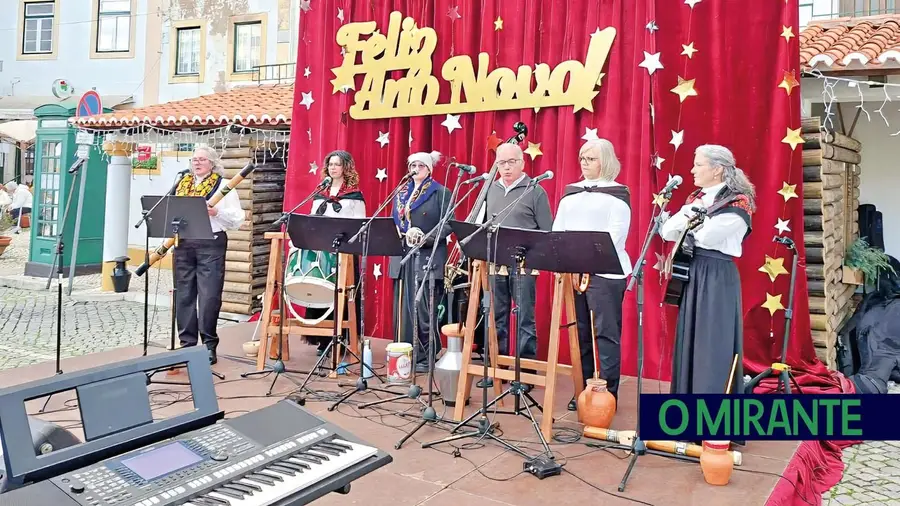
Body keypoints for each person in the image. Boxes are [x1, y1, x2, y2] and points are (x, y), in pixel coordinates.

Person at [660, 144, 754, 395]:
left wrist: (689, 221)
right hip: (692, 271)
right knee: (689, 339)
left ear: (717, 169)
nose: (692, 170)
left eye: (698, 164)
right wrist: (694, 216)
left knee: (712, 343)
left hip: (716, 275)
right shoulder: (695, 199)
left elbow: (710, 237)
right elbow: (667, 230)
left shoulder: (738, 202)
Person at [552, 139, 632, 412]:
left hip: (605, 275)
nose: (585, 163)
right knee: (581, 334)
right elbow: (558, 232)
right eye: (583, 158)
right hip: (574, 273)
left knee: (606, 334)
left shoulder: (618, 195)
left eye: (592, 159)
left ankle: (608, 394)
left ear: (606, 162)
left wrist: (584, 259)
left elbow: (615, 238)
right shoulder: (571, 194)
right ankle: (584, 390)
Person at [172, 147, 244, 364]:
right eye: (194, 159)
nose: (197, 163)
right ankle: (187, 344)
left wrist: (216, 212)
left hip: (210, 243)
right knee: (183, 295)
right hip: (183, 243)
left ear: (212, 163)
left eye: (202, 159)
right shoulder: (181, 183)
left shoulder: (223, 186)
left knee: (209, 295)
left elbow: (237, 219)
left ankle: (208, 345)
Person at [482, 143, 553, 360]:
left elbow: (547, 231)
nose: (507, 167)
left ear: (522, 163)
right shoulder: (489, 189)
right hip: (496, 262)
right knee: (497, 316)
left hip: (525, 265)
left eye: (512, 162)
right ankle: (496, 364)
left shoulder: (535, 190)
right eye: (501, 163)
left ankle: (526, 367)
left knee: (524, 317)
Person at [389, 151, 453, 373]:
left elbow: (449, 223)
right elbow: (394, 221)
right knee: (404, 308)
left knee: (424, 308)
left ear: (429, 169)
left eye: (421, 165)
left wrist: (427, 238)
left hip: (428, 255)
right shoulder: (401, 193)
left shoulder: (440, 192)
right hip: (403, 254)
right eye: (412, 165)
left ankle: (428, 354)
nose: (416, 169)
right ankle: (406, 354)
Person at [297, 150, 366, 356]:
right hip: (322, 252)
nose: (333, 168)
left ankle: (342, 337)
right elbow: (311, 220)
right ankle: (322, 338)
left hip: (343, 253)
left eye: (337, 164)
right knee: (322, 292)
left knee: (341, 294)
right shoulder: (320, 194)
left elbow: (359, 225)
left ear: (346, 167)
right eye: (330, 164)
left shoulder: (354, 196)